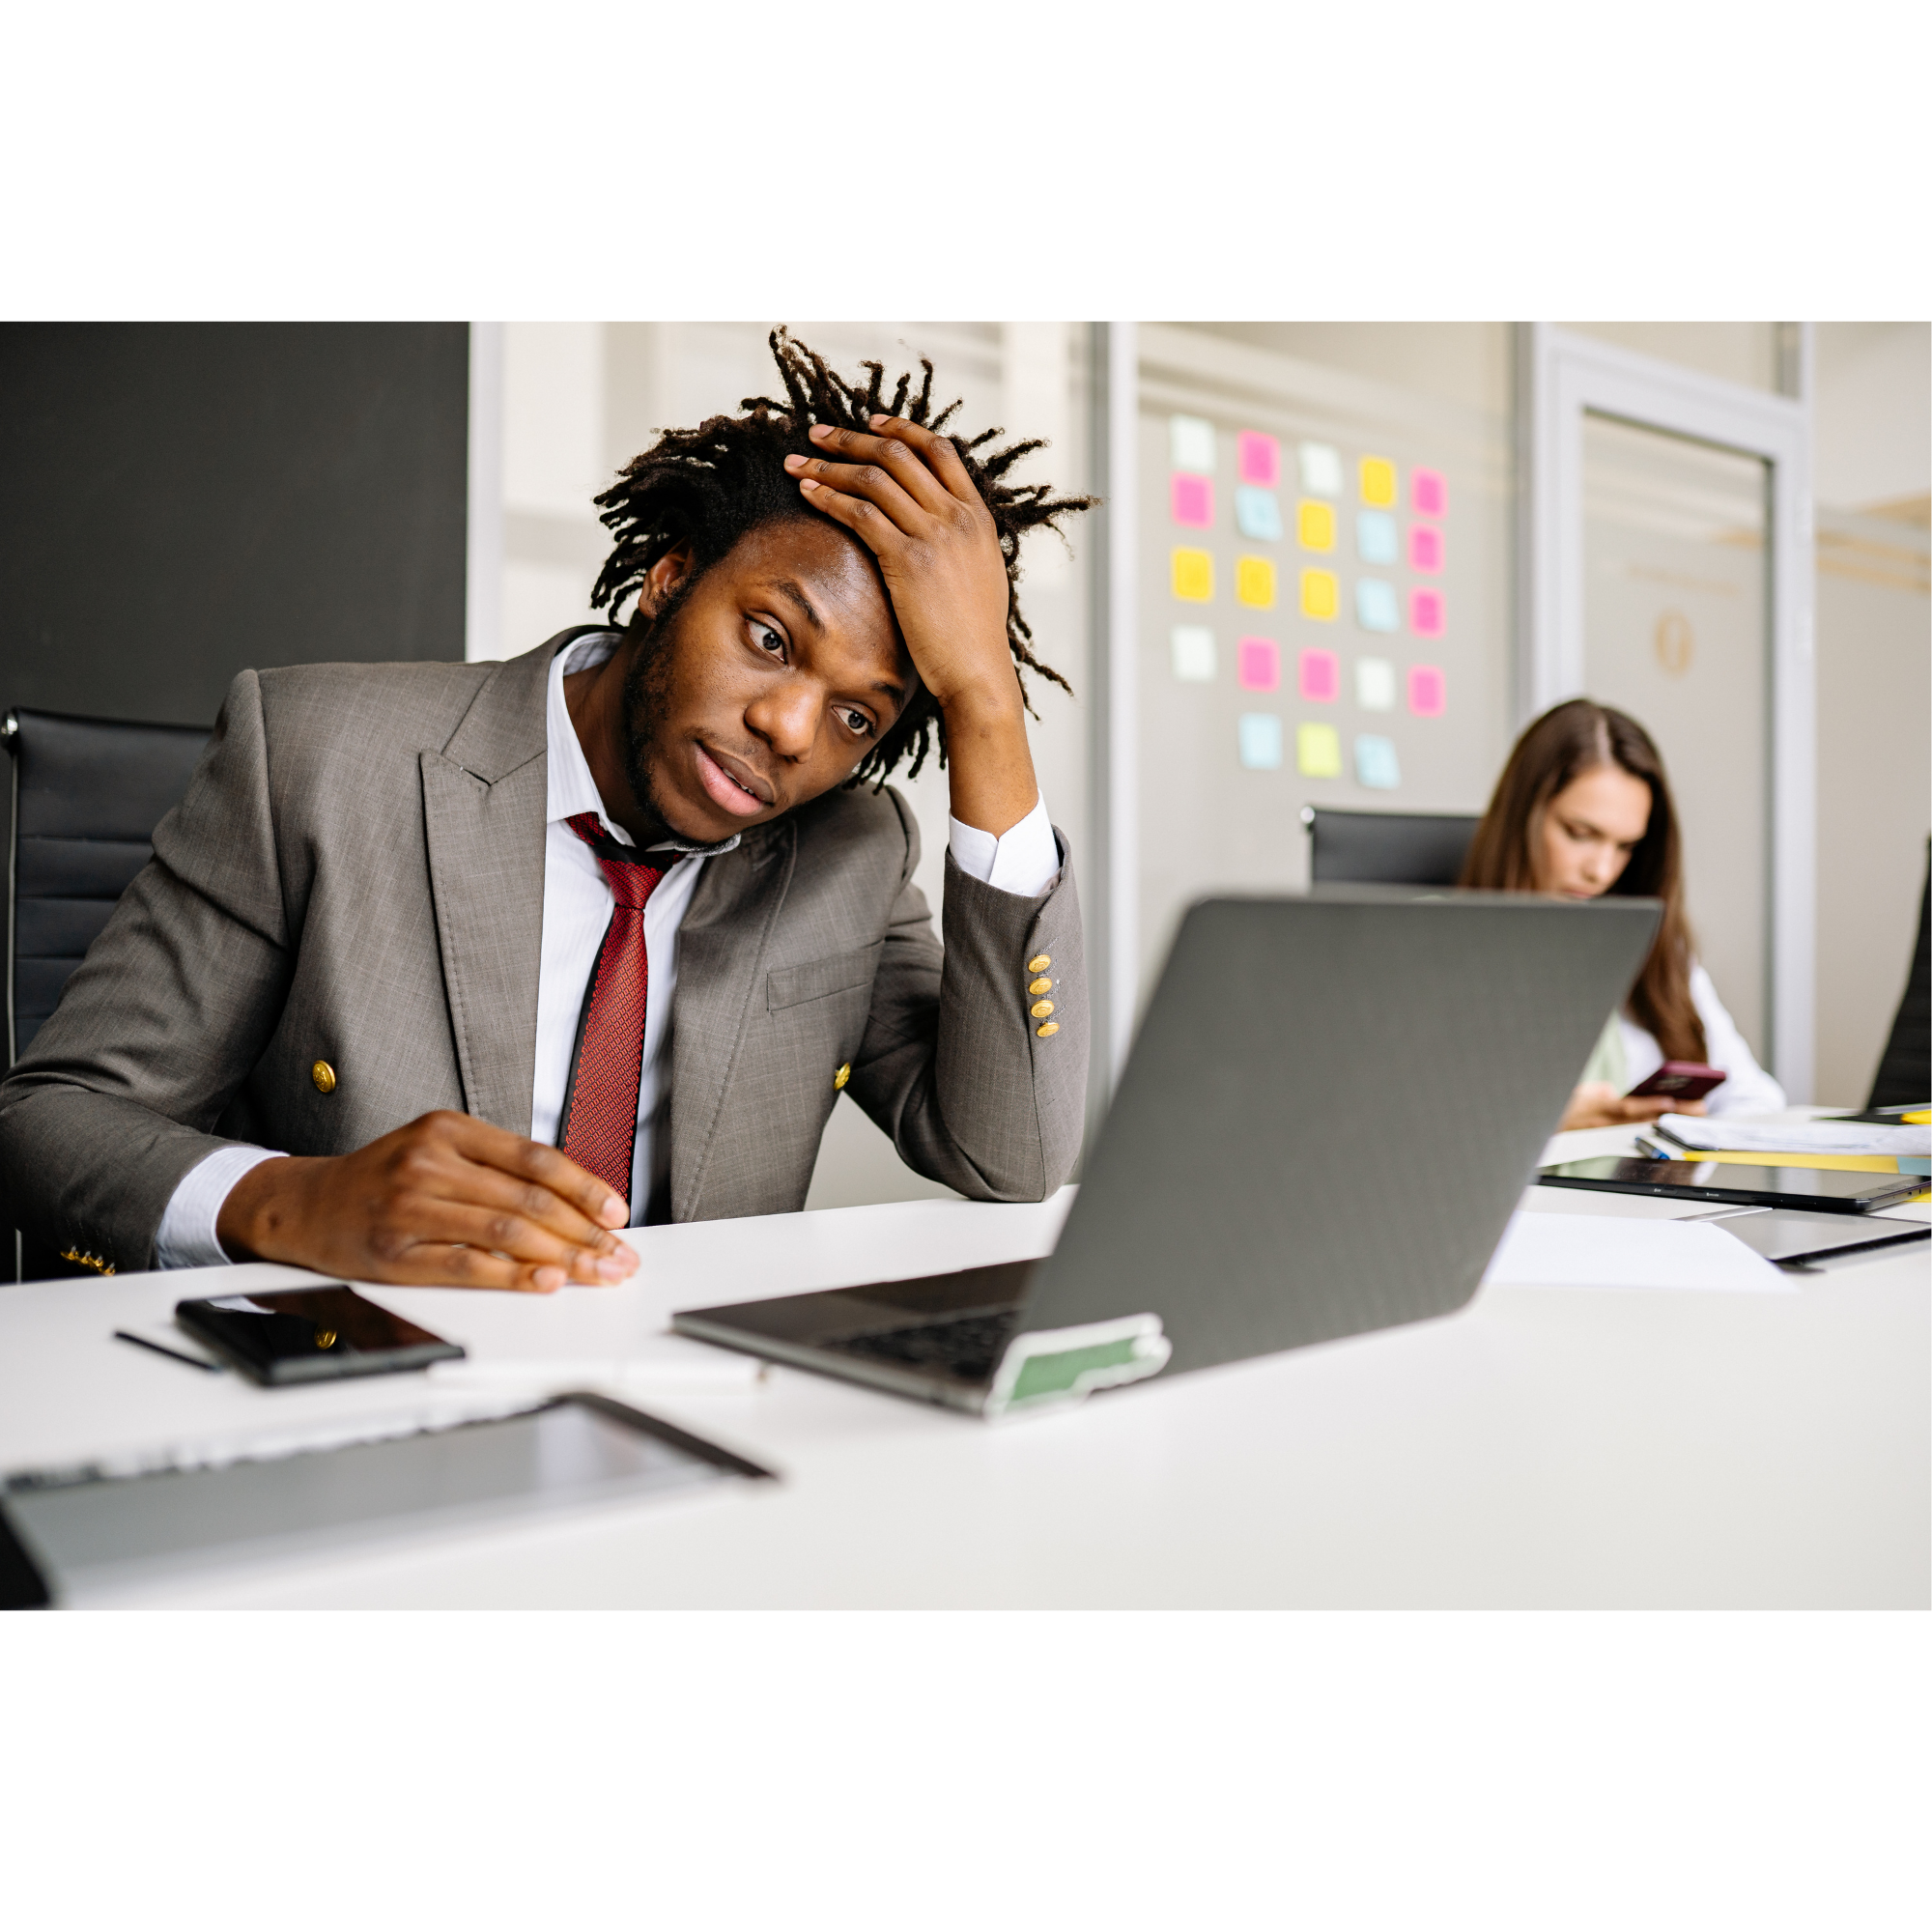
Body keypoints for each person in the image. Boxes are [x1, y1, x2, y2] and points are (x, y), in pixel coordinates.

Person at [0, 332, 1091, 1290]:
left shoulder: (847, 854)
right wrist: (296, 1202)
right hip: (367, 1397)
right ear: (668, 577)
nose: (795, 731)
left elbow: (1013, 1154)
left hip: (688, 1430)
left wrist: (986, 704)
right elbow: (48, 1122)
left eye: (859, 716)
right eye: (769, 638)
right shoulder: (319, 757)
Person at [1460, 697, 1783, 1131]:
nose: (1601, 870)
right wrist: (1540, 1126)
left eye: (1625, 846)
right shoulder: (1428, 947)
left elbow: (1754, 1099)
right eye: (1580, 834)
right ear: (1522, 817)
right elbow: (1389, 1135)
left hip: (1653, 1195)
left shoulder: (1652, 949)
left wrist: (1694, 1129)